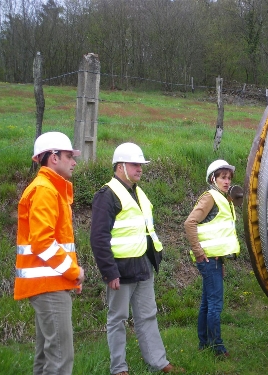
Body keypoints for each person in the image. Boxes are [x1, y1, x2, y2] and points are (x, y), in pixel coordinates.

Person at [90, 142, 183, 375]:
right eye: (135, 164)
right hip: (120, 271)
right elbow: (98, 238)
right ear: (120, 166)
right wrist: (109, 271)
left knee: (148, 316)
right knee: (117, 320)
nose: (140, 168)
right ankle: (119, 368)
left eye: (141, 164)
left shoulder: (137, 191)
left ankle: (159, 362)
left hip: (142, 266)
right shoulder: (107, 195)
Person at [14, 131, 85, 375]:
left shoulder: (49, 189)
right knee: (60, 358)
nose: (74, 161)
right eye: (68, 156)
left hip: (50, 284)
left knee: (47, 356)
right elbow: (43, 243)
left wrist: (70, 276)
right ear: (53, 158)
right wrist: (74, 272)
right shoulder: (45, 190)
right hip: (48, 286)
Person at [184, 159, 241, 357]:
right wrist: (199, 252)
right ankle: (217, 347)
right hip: (208, 260)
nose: (227, 181)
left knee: (207, 303)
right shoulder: (210, 197)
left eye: (228, 178)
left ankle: (204, 343)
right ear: (213, 178)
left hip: (215, 260)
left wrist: (222, 261)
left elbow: (218, 236)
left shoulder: (223, 199)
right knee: (215, 305)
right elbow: (189, 223)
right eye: (222, 177)